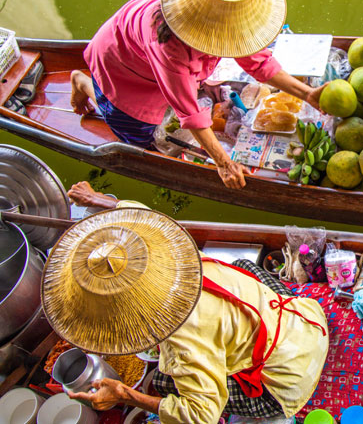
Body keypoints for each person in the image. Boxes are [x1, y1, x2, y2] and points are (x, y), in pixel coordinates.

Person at [53, 181, 329, 423]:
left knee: (163, 382)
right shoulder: (173, 251)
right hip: (306, 323)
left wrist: (125, 395)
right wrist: (103, 201)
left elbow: (200, 416)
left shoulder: (181, 342)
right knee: (244, 265)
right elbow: (144, 216)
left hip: (290, 380)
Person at [70, 0, 326, 190]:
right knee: (136, 132)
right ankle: (84, 83)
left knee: (179, 93)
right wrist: (224, 163)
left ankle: (90, 85)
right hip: (120, 63)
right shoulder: (171, 47)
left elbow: (259, 64)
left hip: (150, 57)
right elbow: (190, 114)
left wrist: (308, 94)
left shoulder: (223, 22)